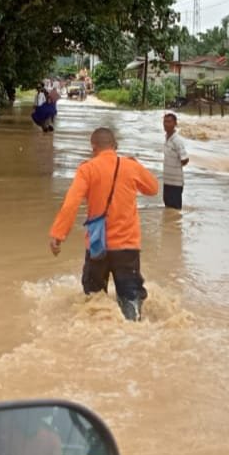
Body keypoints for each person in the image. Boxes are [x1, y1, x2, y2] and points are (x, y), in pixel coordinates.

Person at [48, 127, 160, 321]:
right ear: (115, 146)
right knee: (131, 299)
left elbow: (71, 203)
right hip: (127, 247)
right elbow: (153, 188)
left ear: (93, 147)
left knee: (94, 300)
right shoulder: (130, 166)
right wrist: (136, 164)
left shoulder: (87, 169)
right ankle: (133, 331)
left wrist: (58, 234)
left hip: (97, 245)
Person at [161, 112, 189, 210]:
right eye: (165, 122)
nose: (166, 124)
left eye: (169, 122)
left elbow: (185, 159)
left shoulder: (177, 140)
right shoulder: (166, 138)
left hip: (176, 183)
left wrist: (176, 167)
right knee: (168, 210)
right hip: (167, 181)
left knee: (176, 210)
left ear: (175, 123)